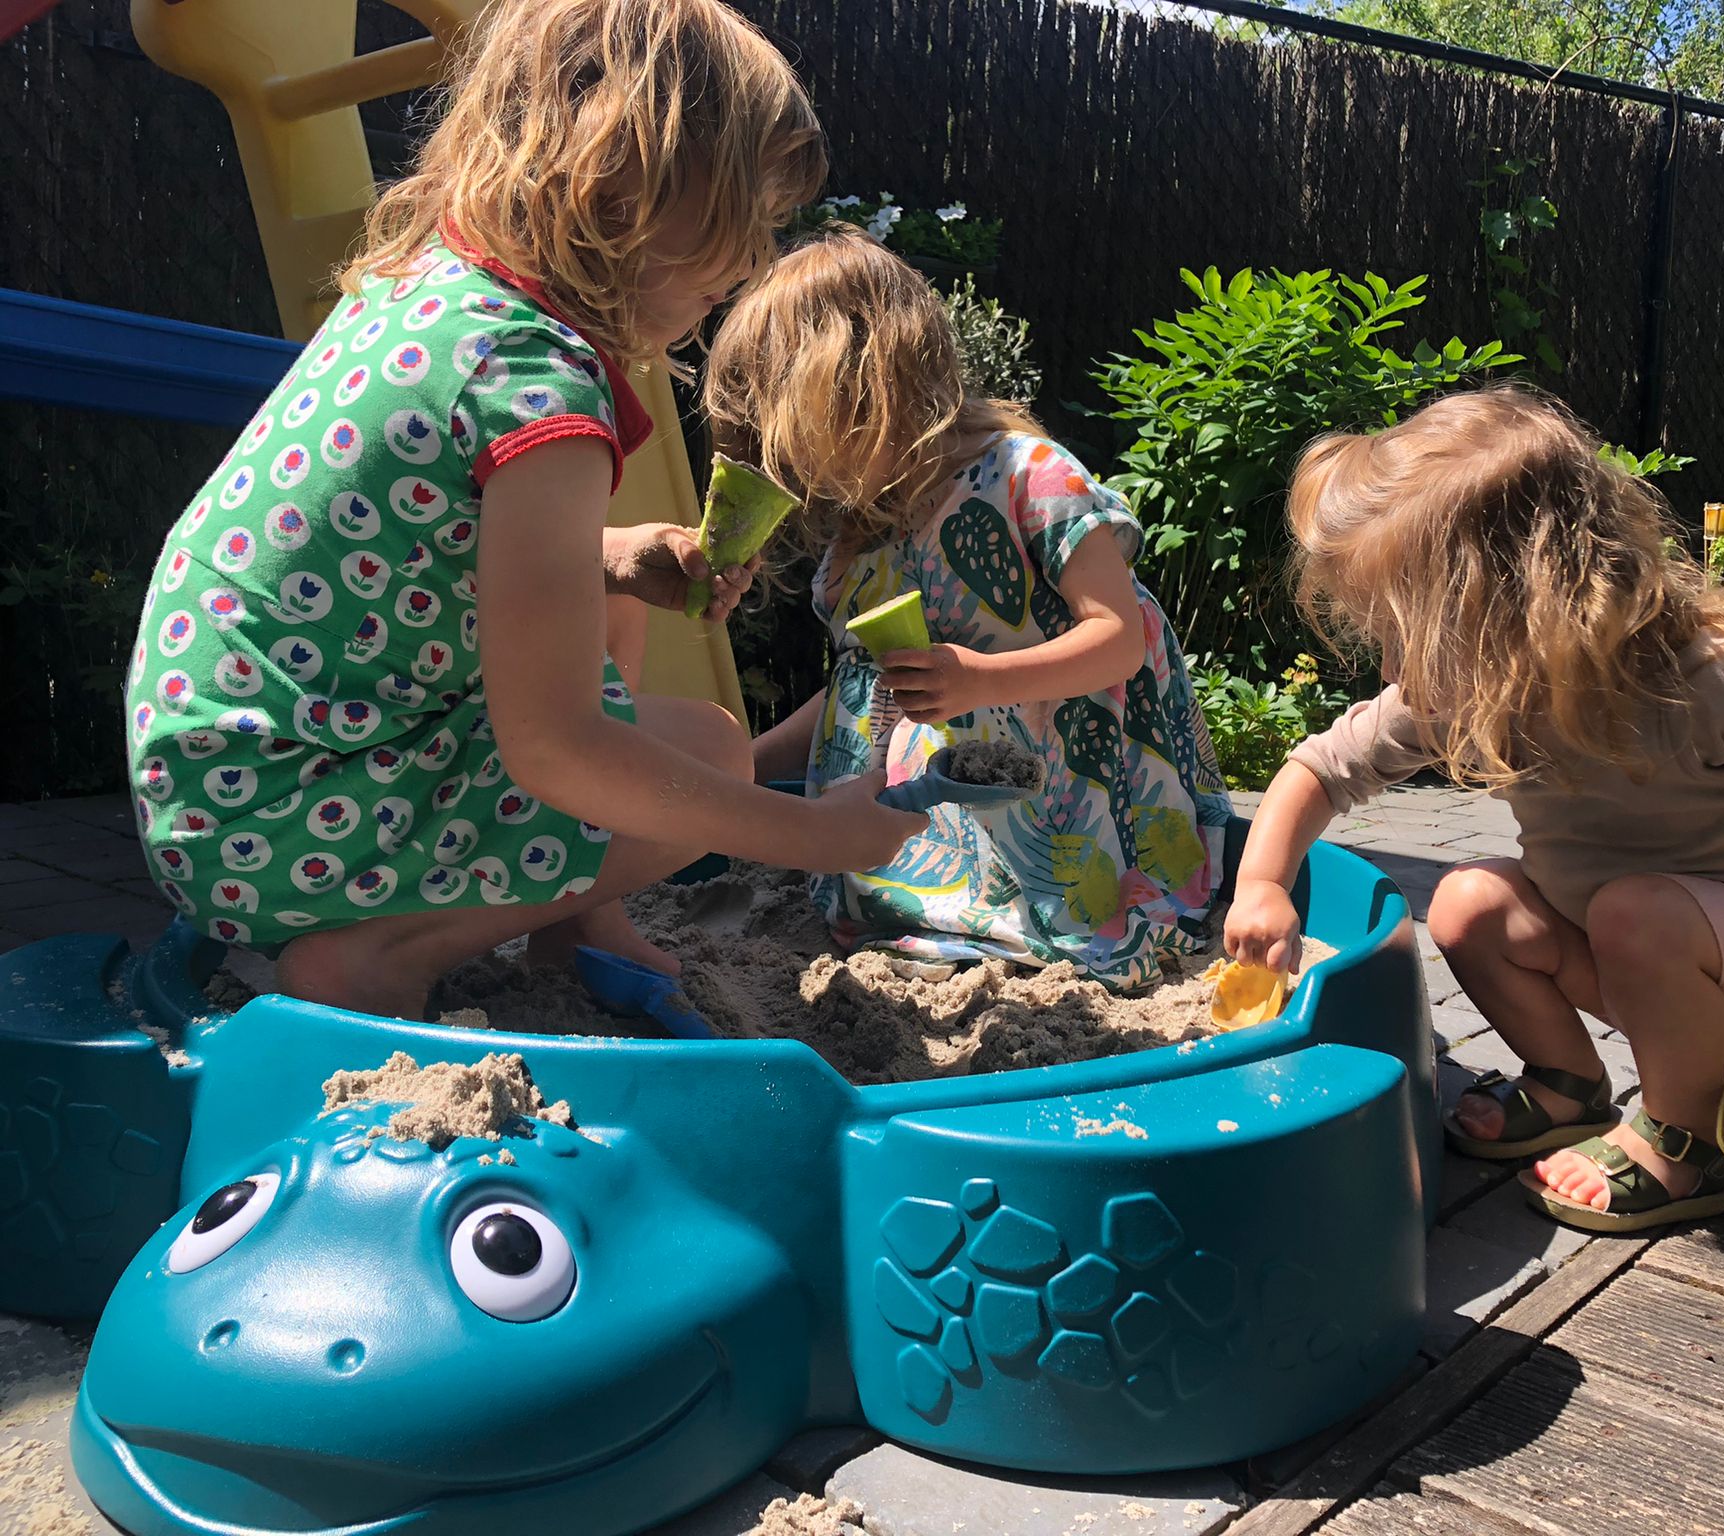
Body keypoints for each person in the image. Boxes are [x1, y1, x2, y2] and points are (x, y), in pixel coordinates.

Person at [124, 0, 923, 1020]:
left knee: (622, 614)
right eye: (744, 215)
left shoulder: (429, 291)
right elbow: (557, 748)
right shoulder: (532, 382)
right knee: (712, 755)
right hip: (283, 824)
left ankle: (571, 917)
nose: (752, 259)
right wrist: (814, 831)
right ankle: (378, 956)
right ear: (628, 180)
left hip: (230, 781)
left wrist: (614, 554)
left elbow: (430, 550)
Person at [1224, 385, 1724, 1231]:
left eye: (1414, 629)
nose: (1398, 660)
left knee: (1636, 910)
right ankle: (1568, 1084)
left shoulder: (1712, 678)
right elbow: (1319, 770)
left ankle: (1683, 1142)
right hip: (1630, 952)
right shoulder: (1469, 685)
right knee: (1470, 902)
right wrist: (1263, 883)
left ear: (1517, 599)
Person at [707, 229, 1233, 988]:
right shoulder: (862, 542)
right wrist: (745, 770)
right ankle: (921, 907)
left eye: (797, 430)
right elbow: (862, 693)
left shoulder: (1028, 479)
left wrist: (983, 678)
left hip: (1064, 802)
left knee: (1082, 927)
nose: (794, 461)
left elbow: (1118, 639)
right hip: (937, 826)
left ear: (861, 385)